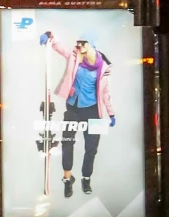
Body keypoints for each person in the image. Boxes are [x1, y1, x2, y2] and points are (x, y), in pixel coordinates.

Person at [41, 31, 115, 202]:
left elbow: (105, 92)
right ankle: (67, 179)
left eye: (83, 43)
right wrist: (50, 36)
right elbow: (59, 47)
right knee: (67, 143)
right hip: (73, 107)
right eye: (78, 43)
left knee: (91, 148)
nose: (79, 46)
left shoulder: (103, 67)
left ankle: (86, 179)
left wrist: (111, 113)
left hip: (93, 111)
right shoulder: (74, 57)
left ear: (91, 46)